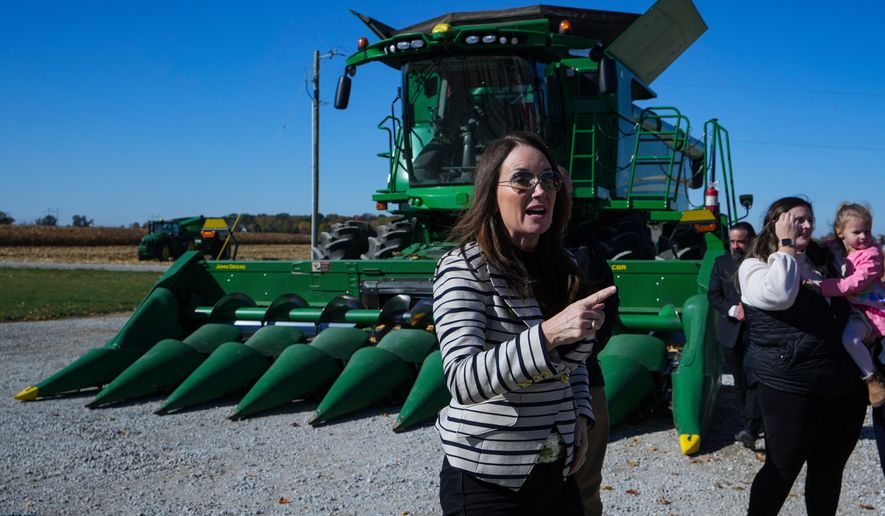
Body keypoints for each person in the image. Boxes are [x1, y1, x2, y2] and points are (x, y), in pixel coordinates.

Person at [433, 131, 617, 514]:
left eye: (549, 180)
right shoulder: (463, 269)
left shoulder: (561, 267)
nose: (541, 190)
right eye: (522, 179)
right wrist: (550, 333)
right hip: (490, 479)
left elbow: (574, 363)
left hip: (558, 473)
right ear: (489, 192)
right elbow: (463, 380)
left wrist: (581, 413)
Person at [738, 196, 866, 515]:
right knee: (783, 469)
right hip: (791, 386)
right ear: (776, 223)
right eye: (796, 219)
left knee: (828, 469)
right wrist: (786, 246)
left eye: (809, 219)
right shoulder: (755, 267)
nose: (806, 225)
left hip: (841, 387)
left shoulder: (823, 262)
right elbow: (780, 295)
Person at [560, 168, 621, 516]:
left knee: (585, 487)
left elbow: (609, 300)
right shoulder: (500, 251)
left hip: (586, 378)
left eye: (563, 190)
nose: (554, 196)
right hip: (524, 393)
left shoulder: (585, 243)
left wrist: (586, 348)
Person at [809, 202, 885, 407]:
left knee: (850, 339)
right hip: (852, 310)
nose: (863, 237)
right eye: (857, 231)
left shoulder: (872, 255)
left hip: (871, 311)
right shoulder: (833, 248)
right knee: (844, 340)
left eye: (867, 231)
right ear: (840, 233)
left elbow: (854, 283)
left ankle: (872, 378)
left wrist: (822, 287)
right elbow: (817, 250)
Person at [707, 222, 762, 450]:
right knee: (740, 381)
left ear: (751, 240)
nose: (736, 246)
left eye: (740, 241)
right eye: (732, 241)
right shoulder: (721, 263)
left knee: (757, 380)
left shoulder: (763, 263)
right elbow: (714, 295)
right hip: (731, 334)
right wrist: (732, 310)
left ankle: (752, 427)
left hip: (757, 333)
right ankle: (748, 424)